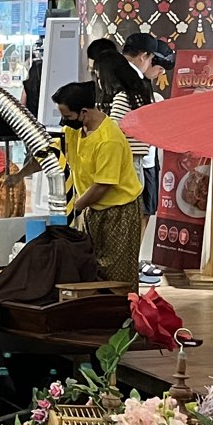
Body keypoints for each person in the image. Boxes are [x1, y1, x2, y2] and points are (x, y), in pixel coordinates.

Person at [54, 80, 144, 287]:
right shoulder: (76, 130)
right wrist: (20, 174)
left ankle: (123, 314)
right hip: (93, 209)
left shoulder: (108, 139)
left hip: (119, 212)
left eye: (67, 116)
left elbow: (102, 185)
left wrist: (74, 208)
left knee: (115, 273)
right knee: (93, 266)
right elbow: (54, 151)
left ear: (84, 112)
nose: (63, 121)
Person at [88, 38, 156, 213]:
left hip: (126, 163)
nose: (99, 81)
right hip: (137, 161)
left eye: (98, 75)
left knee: (124, 211)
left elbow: (112, 133)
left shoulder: (121, 98)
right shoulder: (139, 93)